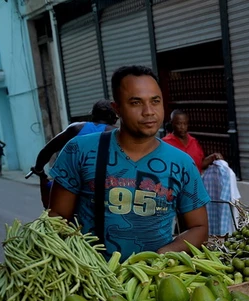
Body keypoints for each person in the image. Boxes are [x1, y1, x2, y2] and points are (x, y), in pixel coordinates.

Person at [48, 65, 209, 260]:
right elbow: (56, 218)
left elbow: (198, 227)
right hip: (92, 278)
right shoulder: (80, 150)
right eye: (136, 102)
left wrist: (162, 255)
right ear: (117, 109)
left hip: (154, 280)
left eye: (155, 101)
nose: (149, 112)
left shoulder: (182, 163)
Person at [31, 100, 118, 207]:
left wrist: (39, 170)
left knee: (52, 209)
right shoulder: (117, 133)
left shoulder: (76, 128)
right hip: (105, 186)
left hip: (72, 182)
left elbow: (48, 150)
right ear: (114, 118)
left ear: (93, 115)